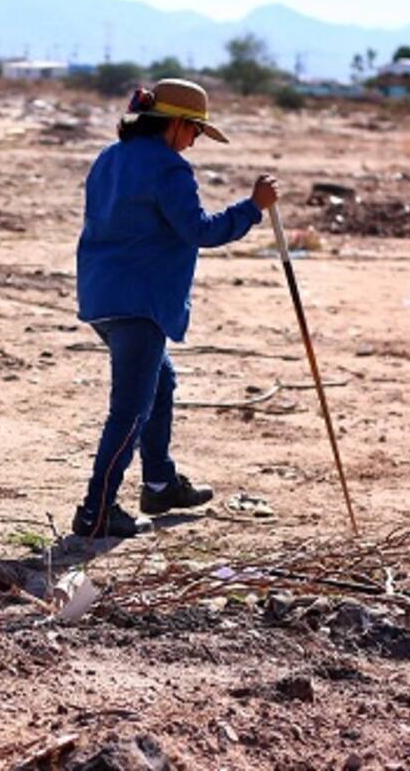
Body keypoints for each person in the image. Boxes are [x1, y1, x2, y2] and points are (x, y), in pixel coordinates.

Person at [73, 78, 279, 538]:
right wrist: (252, 208)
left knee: (161, 383)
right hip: (140, 301)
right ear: (177, 124)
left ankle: (160, 484)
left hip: (101, 296)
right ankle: (96, 511)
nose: (195, 141)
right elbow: (200, 231)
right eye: (196, 131)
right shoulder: (169, 168)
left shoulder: (109, 157)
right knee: (129, 410)